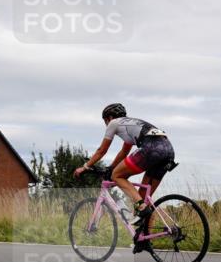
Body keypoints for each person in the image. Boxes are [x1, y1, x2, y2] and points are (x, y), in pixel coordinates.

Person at [73, 103, 176, 248]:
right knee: (143, 196)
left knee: (118, 177)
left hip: (151, 148)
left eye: (105, 121)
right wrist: (111, 167)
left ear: (109, 117)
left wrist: (85, 167)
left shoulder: (114, 123)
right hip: (168, 150)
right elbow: (124, 153)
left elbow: (102, 150)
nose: (106, 124)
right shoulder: (131, 124)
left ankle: (141, 208)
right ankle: (145, 240)